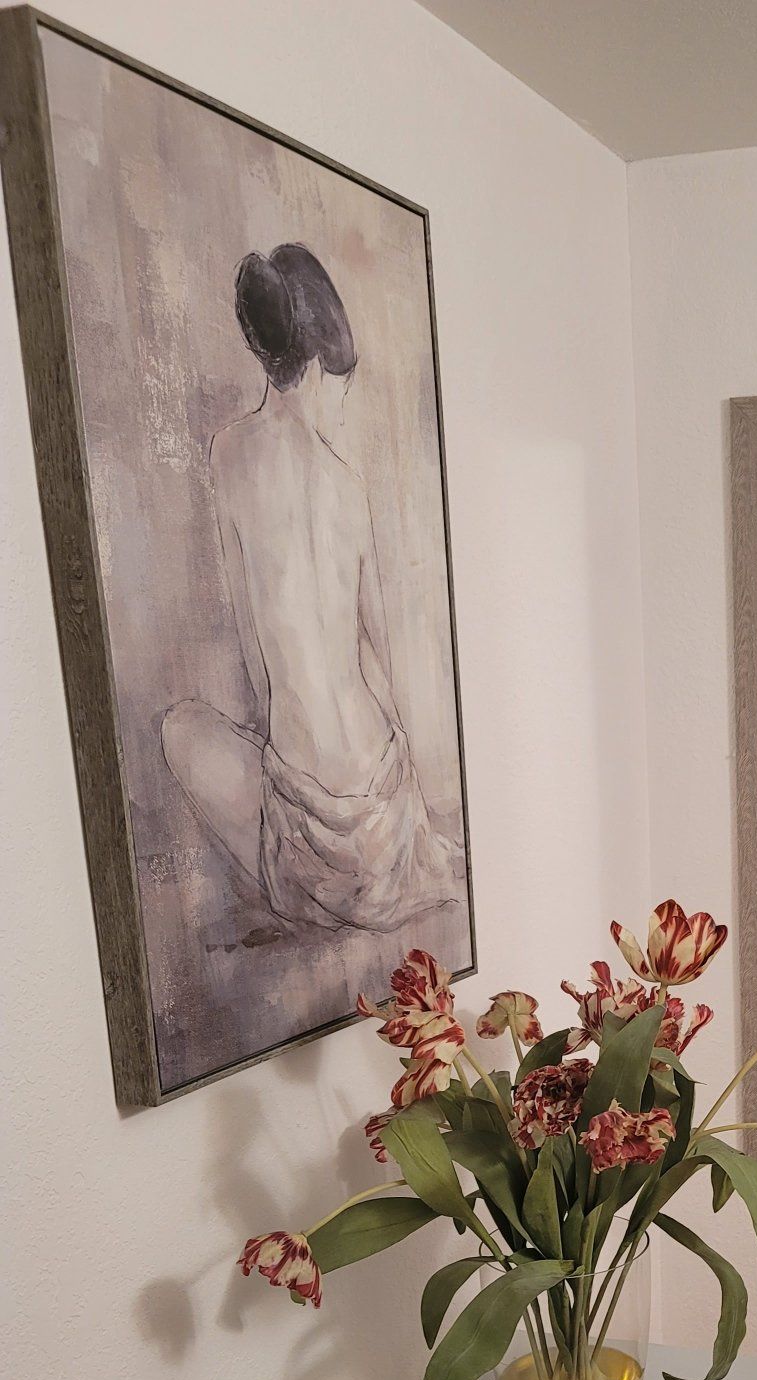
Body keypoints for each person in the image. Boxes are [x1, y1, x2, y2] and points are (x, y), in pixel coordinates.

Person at [162, 242, 459, 933]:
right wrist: (403, 801)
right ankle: (385, 843)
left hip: (309, 831)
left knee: (181, 727)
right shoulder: (347, 486)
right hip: (384, 808)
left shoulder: (230, 456)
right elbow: (373, 655)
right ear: (324, 359)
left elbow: (256, 661)